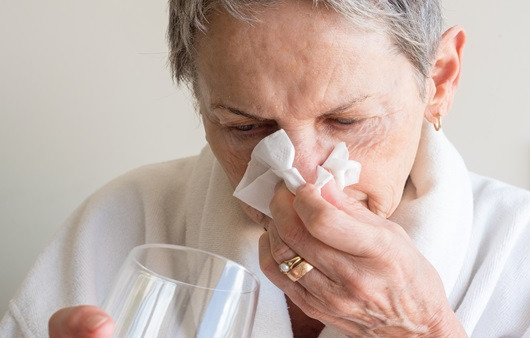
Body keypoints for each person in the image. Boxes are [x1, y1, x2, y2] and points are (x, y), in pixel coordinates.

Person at [2, 0, 530, 337]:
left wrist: (425, 331)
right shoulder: (121, 226)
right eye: (245, 127)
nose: (299, 176)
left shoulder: (517, 253)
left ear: (439, 80)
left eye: (347, 120)